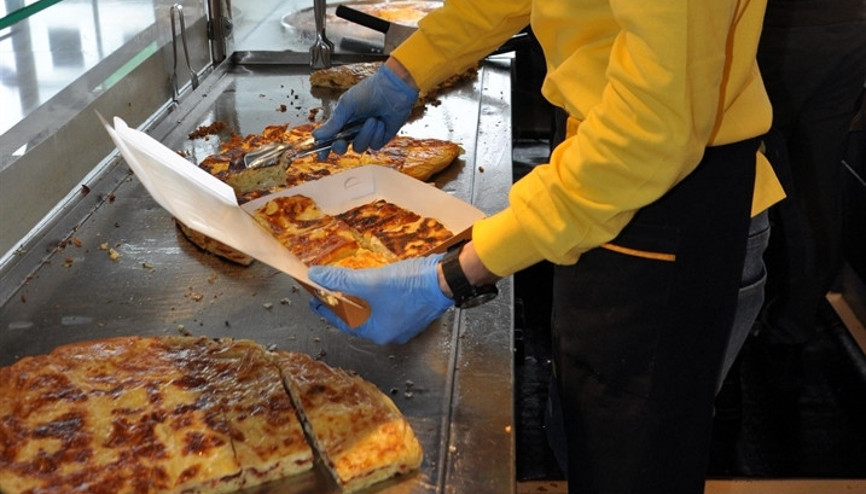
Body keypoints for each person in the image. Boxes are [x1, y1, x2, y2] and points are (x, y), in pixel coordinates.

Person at [305, 0, 786, 491]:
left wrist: (454, 275)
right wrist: (407, 71)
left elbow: (651, 134)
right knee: (584, 442)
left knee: (633, 469)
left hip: (669, 204)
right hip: (604, 181)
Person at [751, 0, 866, 387]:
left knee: (743, 180)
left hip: (776, 31)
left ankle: (745, 332)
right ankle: (791, 329)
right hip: (848, 27)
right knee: (816, 186)